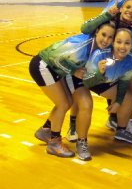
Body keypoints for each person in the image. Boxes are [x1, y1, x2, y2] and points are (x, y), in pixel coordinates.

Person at [66, 0, 132, 141]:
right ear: (121, 8)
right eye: (127, 7)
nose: (130, 11)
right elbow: (85, 29)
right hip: (86, 61)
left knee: (126, 94)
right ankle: (73, 125)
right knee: (79, 94)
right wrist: (106, 15)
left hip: (110, 67)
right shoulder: (109, 20)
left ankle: (116, 122)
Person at [30, 22, 116, 158]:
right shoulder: (80, 45)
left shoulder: (99, 48)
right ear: (96, 32)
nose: (106, 40)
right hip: (43, 65)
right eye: (103, 35)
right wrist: (74, 71)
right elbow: (55, 59)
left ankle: (46, 129)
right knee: (63, 104)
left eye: (110, 37)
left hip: (59, 69)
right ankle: (54, 142)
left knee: (68, 102)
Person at [66, 28, 132, 160]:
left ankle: (121, 131)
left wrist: (117, 102)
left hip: (102, 80)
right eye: (119, 42)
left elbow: (123, 83)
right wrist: (100, 73)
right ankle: (81, 141)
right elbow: (87, 82)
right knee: (86, 105)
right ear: (113, 43)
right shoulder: (99, 55)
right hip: (84, 78)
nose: (122, 47)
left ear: (131, 45)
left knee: (128, 96)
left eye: (127, 43)